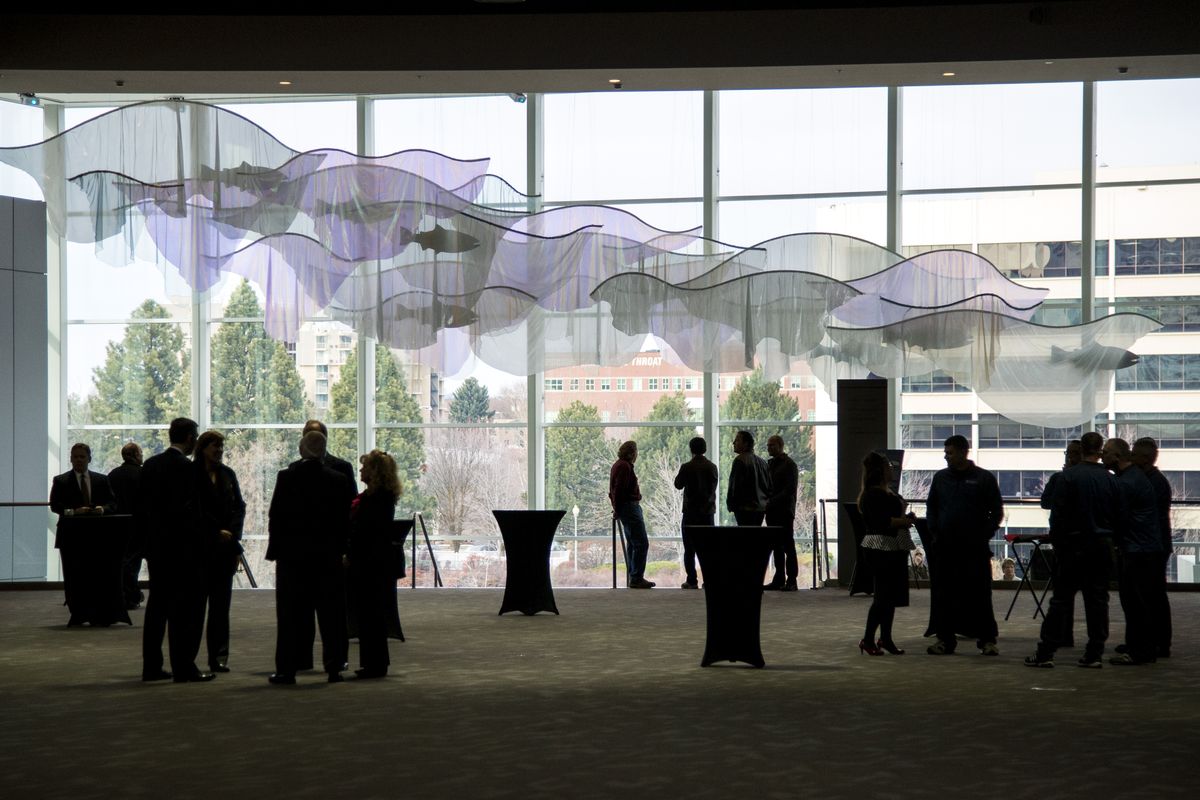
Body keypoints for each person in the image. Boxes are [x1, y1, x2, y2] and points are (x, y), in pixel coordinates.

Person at [1025, 431, 1122, 668]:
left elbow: (1056, 515)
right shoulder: (1111, 479)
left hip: (1072, 547)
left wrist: (1060, 544)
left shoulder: (1067, 478)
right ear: (1100, 450)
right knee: (1098, 601)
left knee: (1060, 601)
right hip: (1101, 547)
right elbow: (1119, 515)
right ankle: (1094, 653)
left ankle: (1046, 652)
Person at [266, 430, 357, 684]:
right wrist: (342, 550)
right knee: (332, 615)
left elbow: (277, 517)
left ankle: (287, 669)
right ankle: (335, 667)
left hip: (293, 559)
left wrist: (276, 551)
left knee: (290, 616)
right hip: (327, 558)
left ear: (302, 451)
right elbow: (345, 521)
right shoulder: (338, 480)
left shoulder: (286, 477)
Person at [138, 418, 212, 683]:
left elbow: (143, 508)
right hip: (183, 550)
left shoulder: (151, 465)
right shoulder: (188, 469)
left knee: (157, 607)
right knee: (183, 612)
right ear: (191, 439)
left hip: (157, 548)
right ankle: (183, 667)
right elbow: (193, 513)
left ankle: (151, 667)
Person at [925, 435, 1003, 656]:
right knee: (945, 595)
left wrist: (983, 535)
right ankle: (945, 640)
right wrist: (935, 532)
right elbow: (932, 507)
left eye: (949, 453)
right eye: (946, 452)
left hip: (974, 548)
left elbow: (996, 511)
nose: (946, 457)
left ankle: (987, 640)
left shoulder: (984, 478)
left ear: (962, 452)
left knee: (980, 594)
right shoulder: (940, 478)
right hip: (946, 547)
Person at [1102, 437, 1162, 666]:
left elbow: (1118, 518)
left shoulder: (1126, 483)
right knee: (1140, 601)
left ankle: (1139, 650)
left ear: (1117, 457)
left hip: (1137, 550)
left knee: (1135, 602)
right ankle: (1142, 647)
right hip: (1144, 548)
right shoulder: (1134, 477)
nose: (1102, 455)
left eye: (1106, 452)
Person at [193, 431, 245, 674]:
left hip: (225, 550)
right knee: (195, 607)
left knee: (220, 608)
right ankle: (189, 658)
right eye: (215, 446)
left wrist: (232, 536)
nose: (220, 450)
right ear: (203, 448)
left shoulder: (228, 474)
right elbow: (192, 511)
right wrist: (215, 531)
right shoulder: (191, 475)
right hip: (201, 549)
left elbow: (239, 508)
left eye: (221, 446)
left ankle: (219, 657)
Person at [348, 449, 402, 679]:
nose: (361, 470)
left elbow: (368, 532)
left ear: (375, 472)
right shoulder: (378, 496)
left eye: (365, 467)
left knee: (371, 614)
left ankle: (375, 664)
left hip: (371, 562)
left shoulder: (376, 499)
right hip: (373, 561)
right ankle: (373, 663)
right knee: (370, 614)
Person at [49, 443, 118, 624]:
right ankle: (77, 612)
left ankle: (96, 613)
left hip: (97, 537)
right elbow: (55, 505)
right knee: (73, 576)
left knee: (96, 575)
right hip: (71, 536)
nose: (78, 460)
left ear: (89, 459)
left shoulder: (101, 480)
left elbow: (113, 503)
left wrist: (102, 510)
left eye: (82, 457)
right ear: (70, 459)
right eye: (75, 457)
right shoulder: (61, 480)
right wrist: (73, 511)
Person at [856, 451, 915, 655]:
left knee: (889, 597)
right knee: (882, 597)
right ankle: (868, 639)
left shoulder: (886, 491)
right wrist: (905, 521)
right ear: (880, 471)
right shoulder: (873, 494)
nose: (892, 469)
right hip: (880, 547)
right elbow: (882, 522)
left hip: (893, 546)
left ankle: (886, 638)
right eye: (888, 467)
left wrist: (905, 518)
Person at [1131, 436, 1172, 659]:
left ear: (1145, 458)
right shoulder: (1156, 481)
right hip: (1156, 544)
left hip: (1152, 546)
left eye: (1134, 454)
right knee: (1154, 594)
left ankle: (1157, 642)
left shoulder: (1152, 483)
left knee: (1152, 595)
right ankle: (1157, 640)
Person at [674, 436, 718, 589]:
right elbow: (712, 488)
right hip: (707, 513)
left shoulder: (687, 467)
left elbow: (678, 485)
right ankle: (709, 580)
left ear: (691, 449)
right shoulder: (712, 467)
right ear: (704, 449)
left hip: (691, 513)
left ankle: (692, 580)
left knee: (689, 549)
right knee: (707, 550)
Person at [107, 442, 145, 609]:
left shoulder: (113, 475)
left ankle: (123, 594)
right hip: (138, 524)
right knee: (133, 562)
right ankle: (131, 594)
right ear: (136, 455)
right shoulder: (143, 474)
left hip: (116, 525)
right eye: (141, 453)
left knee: (121, 560)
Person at [610, 441, 653, 588]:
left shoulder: (619, 465)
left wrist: (616, 508)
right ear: (632, 453)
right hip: (629, 507)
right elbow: (619, 489)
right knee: (641, 543)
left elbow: (614, 490)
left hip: (625, 508)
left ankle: (633, 576)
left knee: (633, 544)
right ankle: (636, 577)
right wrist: (617, 508)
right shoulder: (624, 467)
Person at [764, 434, 800, 591]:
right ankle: (779, 578)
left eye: (772, 445)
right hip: (772, 510)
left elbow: (790, 489)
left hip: (784, 510)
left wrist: (772, 500)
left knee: (787, 545)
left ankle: (792, 580)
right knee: (776, 545)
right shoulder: (769, 464)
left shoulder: (789, 465)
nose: (769, 448)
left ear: (780, 446)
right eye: (768, 445)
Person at [726, 430, 771, 526]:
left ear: (745, 444)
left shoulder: (740, 460)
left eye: (737, 440)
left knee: (745, 538)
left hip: (745, 509)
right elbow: (769, 486)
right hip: (760, 508)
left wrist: (731, 504)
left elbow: (735, 486)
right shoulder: (762, 462)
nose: (734, 443)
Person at [292, 419, 356, 485]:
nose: (312, 440)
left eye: (316, 437)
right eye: (308, 436)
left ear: (325, 439)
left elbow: (352, 494)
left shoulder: (343, 467)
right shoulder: (293, 468)